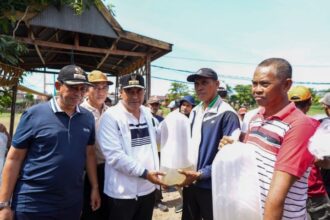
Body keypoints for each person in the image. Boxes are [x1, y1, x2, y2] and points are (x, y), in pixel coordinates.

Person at [0, 65, 101, 220]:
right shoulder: (34, 115)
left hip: (71, 203)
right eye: (73, 87)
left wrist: (94, 187)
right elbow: (14, 158)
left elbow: (89, 154)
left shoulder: (87, 118)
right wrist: (4, 204)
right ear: (58, 86)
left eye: (83, 89)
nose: (78, 94)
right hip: (34, 203)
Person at [243, 58, 318, 219]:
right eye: (254, 83)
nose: (256, 89)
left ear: (286, 85)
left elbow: (277, 197)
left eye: (264, 84)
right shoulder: (256, 118)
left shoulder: (299, 126)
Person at [97, 73, 167, 220]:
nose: (135, 96)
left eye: (139, 91)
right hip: (123, 192)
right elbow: (114, 156)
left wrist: (174, 122)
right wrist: (145, 173)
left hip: (147, 189)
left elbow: (157, 138)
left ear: (144, 92)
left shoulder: (147, 113)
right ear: (121, 92)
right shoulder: (110, 117)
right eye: (130, 91)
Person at [179, 68, 241, 220]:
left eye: (205, 82)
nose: (199, 87)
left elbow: (228, 157)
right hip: (191, 182)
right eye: (197, 83)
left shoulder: (227, 114)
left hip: (212, 186)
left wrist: (202, 174)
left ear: (217, 84)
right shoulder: (195, 111)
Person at [288, 86, 330, 220]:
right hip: (312, 189)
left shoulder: (279, 124)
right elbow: (320, 161)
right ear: (310, 103)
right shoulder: (316, 126)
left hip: (287, 188)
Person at [80, 70, 113, 220]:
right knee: (91, 211)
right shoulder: (80, 112)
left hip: (111, 168)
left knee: (109, 209)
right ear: (87, 89)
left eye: (104, 87)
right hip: (88, 171)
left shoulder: (112, 112)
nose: (101, 92)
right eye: (96, 87)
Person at [147, 96, 168, 212]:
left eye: (156, 105)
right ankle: (148, 200)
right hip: (146, 151)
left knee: (158, 175)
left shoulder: (161, 119)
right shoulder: (143, 117)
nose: (154, 107)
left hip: (158, 151)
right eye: (152, 104)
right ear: (148, 105)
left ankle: (158, 200)